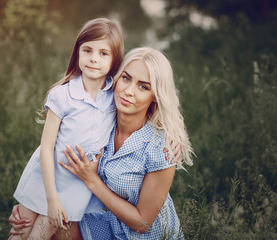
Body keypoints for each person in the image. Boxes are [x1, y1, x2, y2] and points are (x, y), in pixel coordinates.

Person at [10, 47, 193, 239]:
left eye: (143, 87)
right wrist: (31, 205)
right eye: (126, 78)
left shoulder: (161, 148)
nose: (129, 91)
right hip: (110, 226)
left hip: (146, 236)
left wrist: (92, 180)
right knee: (45, 224)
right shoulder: (103, 121)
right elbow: (56, 153)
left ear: (155, 96)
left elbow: (143, 223)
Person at [8, 18, 124, 240]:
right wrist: (51, 199)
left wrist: (172, 139)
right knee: (19, 232)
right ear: (77, 52)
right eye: (87, 50)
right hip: (45, 178)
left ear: (114, 58)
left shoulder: (114, 96)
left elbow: (149, 112)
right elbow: (46, 147)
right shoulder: (62, 95)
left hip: (75, 186)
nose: (93, 59)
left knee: (37, 237)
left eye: (103, 53)